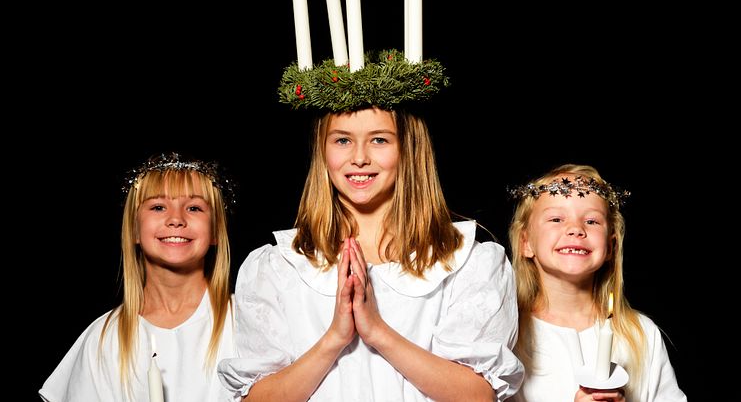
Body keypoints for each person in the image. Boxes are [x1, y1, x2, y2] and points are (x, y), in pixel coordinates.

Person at [217, 106, 524, 401]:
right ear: (322, 152)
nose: (359, 158)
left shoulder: (466, 262)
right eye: (342, 140)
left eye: (379, 140)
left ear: (409, 149)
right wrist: (334, 339)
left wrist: (378, 332)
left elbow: (477, 396)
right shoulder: (278, 267)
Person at [39, 152, 237, 402]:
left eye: (194, 208)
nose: (176, 219)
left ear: (216, 231)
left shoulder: (245, 320)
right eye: (158, 207)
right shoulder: (104, 338)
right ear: (134, 229)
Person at [507, 163, 686, 402]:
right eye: (556, 218)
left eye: (592, 221)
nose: (575, 229)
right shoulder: (507, 335)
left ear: (611, 246)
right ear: (525, 242)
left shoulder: (640, 334)